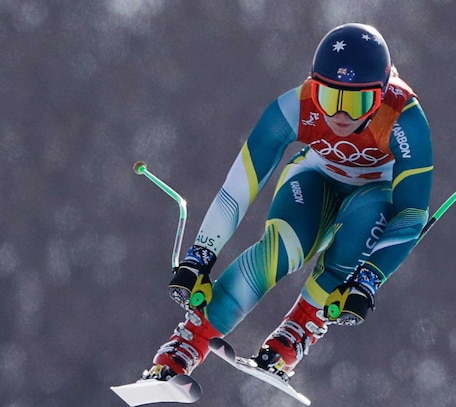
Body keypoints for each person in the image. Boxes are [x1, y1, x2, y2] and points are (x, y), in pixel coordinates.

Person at [143, 23, 433, 384]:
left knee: (368, 220)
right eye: (329, 98)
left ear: (381, 94)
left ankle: (295, 334)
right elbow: (237, 189)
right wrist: (199, 257)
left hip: (375, 192)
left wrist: (368, 280)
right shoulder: (297, 105)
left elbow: (410, 215)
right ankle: (184, 347)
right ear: (314, 85)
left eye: (357, 103)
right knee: (282, 248)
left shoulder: (403, 119)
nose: (341, 116)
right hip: (315, 178)